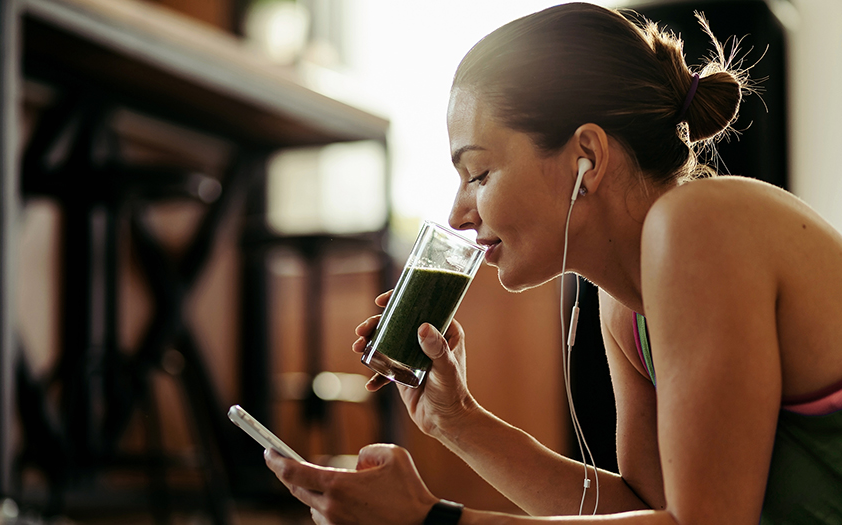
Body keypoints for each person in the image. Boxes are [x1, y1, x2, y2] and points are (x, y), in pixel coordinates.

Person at [265, 2, 842, 523]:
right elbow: (646, 510)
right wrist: (457, 420)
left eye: (479, 174)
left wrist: (429, 521)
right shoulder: (626, 309)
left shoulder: (701, 225)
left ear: (586, 155)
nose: (459, 213)